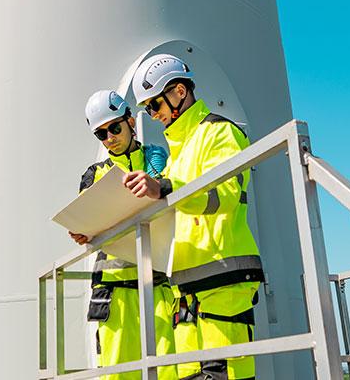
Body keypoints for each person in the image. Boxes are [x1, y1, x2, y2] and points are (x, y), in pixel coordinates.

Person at [122, 55, 264, 380]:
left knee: (225, 376)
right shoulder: (178, 154)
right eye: (146, 109)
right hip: (185, 291)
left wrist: (165, 188)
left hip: (223, 280)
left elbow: (223, 195)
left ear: (180, 92)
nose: (153, 116)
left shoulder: (220, 133)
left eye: (154, 105)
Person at [74, 90, 177, 380]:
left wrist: (160, 180)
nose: (110, 138)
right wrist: (81, 232)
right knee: (118, 375)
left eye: (114, 128)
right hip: (114, 292)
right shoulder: (94, 175)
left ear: (130, 121)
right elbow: (86, 220)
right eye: (101, 134)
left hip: (158, 285)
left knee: (169, 371)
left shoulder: (158, 162)